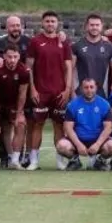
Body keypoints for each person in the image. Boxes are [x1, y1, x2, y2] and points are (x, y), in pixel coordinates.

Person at [26, 11, 72, 171]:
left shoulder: (64, 42)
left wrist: (67, 89)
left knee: (59, 125)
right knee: (37, 125)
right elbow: (29, 67)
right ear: (42, 23)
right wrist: (32, 88)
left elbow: (68, 67)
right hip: (41, 92)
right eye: (47, 21)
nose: (50, 24)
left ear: (57, 23)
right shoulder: (35, 41)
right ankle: (34, 161)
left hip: (59, 92)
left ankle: (60, 161)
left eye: (53, 21)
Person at [57, 78, 112, 170]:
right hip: (78, 140)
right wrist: (78, 145)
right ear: (81, 89)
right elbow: (68, 128)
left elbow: (108, 128)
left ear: (96, 88)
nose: (89, 90)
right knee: (61, 146)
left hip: (98, 141)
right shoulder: (73, 105)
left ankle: (99, 161)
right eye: (86, 87)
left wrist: (97, 144)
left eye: (91, 87)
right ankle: (75, 161)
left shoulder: (104, 104)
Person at [0, 44, 30, 170]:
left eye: (15, 57)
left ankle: (14, 160)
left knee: (20, 124)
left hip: (13, 103)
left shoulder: (24, 70)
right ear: (4, 56)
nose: (12, 60)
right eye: (9, 57)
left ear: (19, 56)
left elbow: (22, 93)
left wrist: (19, 113)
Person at [72, 14, 112, 99]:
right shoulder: (77, 46)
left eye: (97, 25)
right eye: (92, 25)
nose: (94, 27)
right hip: (80, 93)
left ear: (101, 26)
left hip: (101, 94)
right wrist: (72, 91)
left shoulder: (109, 47)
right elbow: (70, 70)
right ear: (86, 26)